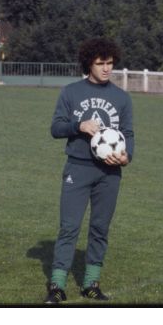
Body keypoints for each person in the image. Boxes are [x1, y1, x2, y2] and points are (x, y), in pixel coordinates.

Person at [45, 37, 134, 303]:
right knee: (69, 228)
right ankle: (57, 285)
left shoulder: (122, 98)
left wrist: (127, 156)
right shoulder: (71, 92)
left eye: (110, 63)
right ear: (89, 64)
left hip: (109, 174)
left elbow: (128, 133)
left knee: (100, 228)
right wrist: (78, 126)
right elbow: (55, 128)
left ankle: (91, 284)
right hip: (78, 168)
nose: (106, 68)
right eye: (100, 63)